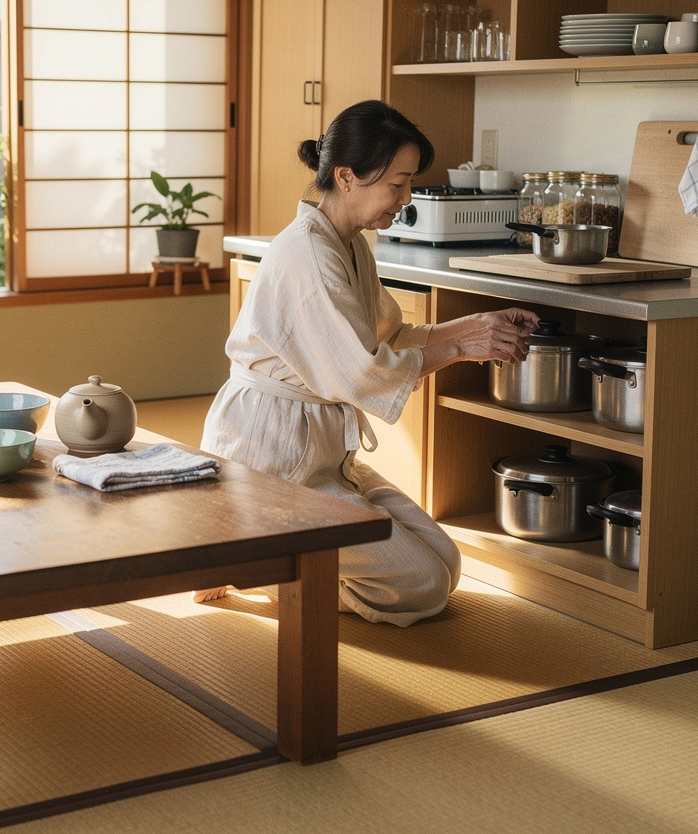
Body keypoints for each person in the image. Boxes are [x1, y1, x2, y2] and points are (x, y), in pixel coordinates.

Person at [197, 100, 539, 626]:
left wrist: (475, 328)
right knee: (423, 586)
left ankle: (268, 552)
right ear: (347, 177)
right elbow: (360, 372)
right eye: (397, 184)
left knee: (446, 565)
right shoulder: (308, 254)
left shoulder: (349, 245)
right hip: (272, 455)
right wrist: (461, 348)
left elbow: (390, 336)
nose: (405, 199)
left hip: (323, 452)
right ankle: (255, 560)